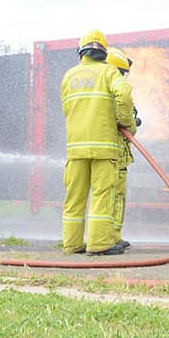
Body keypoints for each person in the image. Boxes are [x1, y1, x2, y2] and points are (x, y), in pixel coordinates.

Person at [60, 29, 135, 256]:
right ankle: (99, 244)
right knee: (103, 195)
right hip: (104, 147)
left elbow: (67, 109)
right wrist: (126, 122)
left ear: (81, 51)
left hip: (75, 149)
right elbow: (124, 94)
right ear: (103, 51)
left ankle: (72, 245)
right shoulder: (108, 72)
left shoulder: (69, 76)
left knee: (74, 199)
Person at [105, 46, 140, 250]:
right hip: (113, 152)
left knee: (116, 198)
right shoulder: (113, 90)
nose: (123, 77)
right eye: (121, 72)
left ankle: (114, 237)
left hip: (116, 153)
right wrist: (133, 124)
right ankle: (107, 239)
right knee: (111, 198)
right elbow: (126, 121)